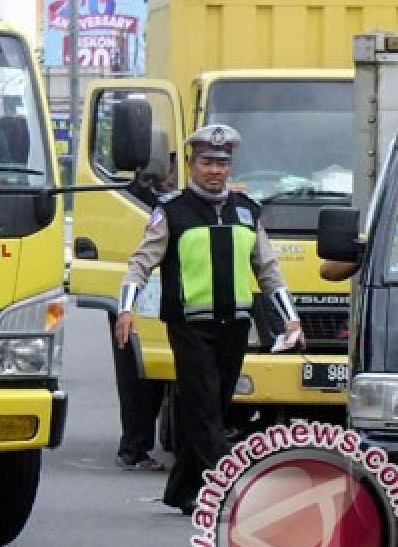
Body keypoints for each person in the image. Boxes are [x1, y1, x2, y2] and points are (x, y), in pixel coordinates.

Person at [114, 126, 304, 514]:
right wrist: (126, 308)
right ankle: (222, 488)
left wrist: (291, 319)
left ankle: (183, 491)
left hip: (234, 326)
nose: (215, 170)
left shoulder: (247, 211)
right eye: (207, 162)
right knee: (202, 410)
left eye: (222, 163)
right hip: (189, 327)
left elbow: (268, 270)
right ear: (191, 164)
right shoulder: (171, 212)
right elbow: (140, 264)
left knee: (213, 408)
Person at [110, 155, 178, 472]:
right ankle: (135, 446)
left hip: (177, 299)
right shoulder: (142, 197)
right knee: (140, 372)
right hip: (142, 294)